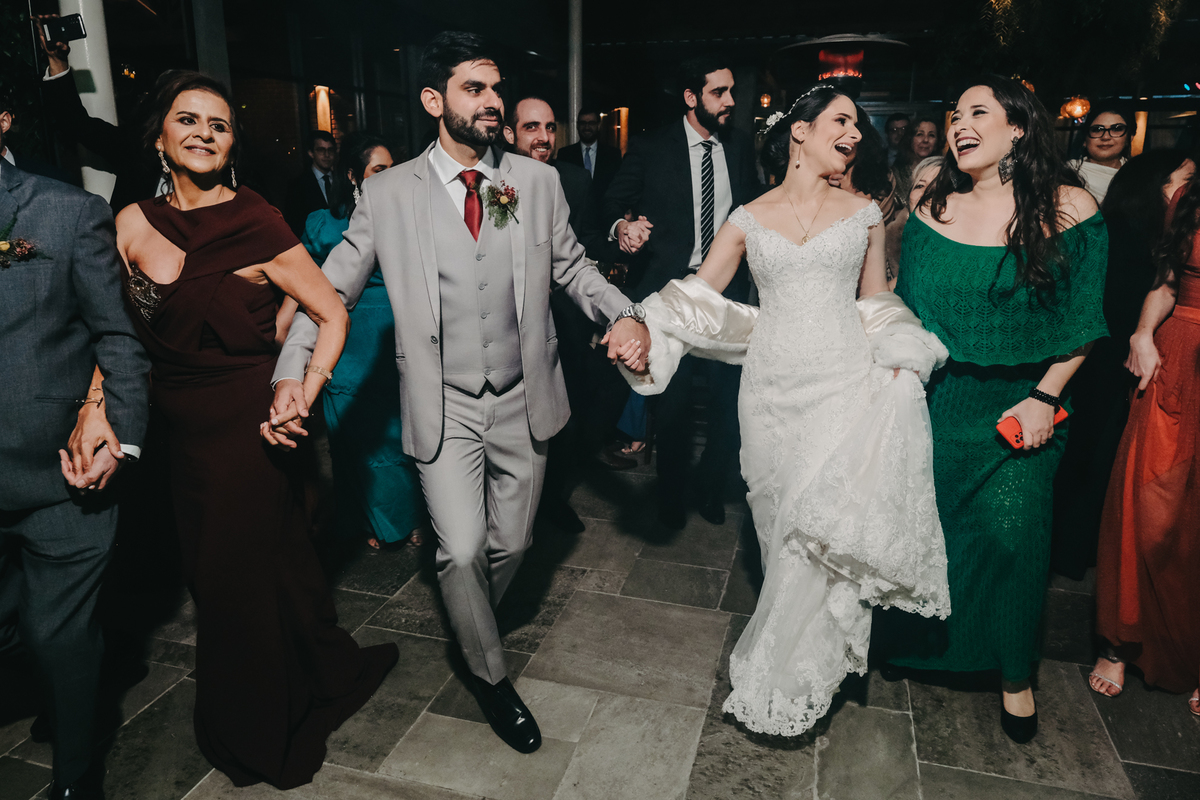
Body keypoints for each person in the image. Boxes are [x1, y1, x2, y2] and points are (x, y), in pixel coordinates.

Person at [267, 32, 649, 755]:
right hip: (442, 405)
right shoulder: (387, 194)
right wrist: (291, 371)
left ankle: (471, 625)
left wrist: (625, 314)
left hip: (525, 397)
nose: (493, 102)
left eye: (497, 88)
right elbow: (329, 293)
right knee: (462, 549)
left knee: (515, 542)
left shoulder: (533, 184)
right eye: (475, 89)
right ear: (433, 100)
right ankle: (489, 673)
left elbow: (573, 269)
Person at [614, 83, 951, 737]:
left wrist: (903, 352)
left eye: (857, 126)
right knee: (778, 524)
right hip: (770, 390)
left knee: (822, 523)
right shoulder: (747, 216)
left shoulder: (864, 214)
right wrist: (643, 328)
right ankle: (797, 650)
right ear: (800, 130)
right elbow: (699, 296)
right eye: (841, 121)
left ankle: (803, 670)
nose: (854, 134)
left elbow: (876, 302)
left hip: (843, 382)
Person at [97, 70, 397, 789]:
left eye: (219, 124)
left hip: (248, 428)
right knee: (267, 566)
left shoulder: (258, 220)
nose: (203, 132)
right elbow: (115, 332)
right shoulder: (131, 221)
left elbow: (331, 312)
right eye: (188, 119)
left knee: (229, 582)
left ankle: (252, 730)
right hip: (173, 433)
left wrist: (303, 392)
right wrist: (95, 404)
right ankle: (321, 663)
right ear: (161, 136)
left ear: (232, 144)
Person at [884, 76, 1108, 744]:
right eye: (954, 114)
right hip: (936, 399)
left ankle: (1015, 676)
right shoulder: (931, 200)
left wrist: (1045, 396)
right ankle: (917, 648)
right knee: (929, 532)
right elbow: (905, 300)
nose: (959, 123)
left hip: (1021, 406)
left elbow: (1084, 321)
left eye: (977, 112)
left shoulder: (1069, 206)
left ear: (1018, 128)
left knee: (1013, 538)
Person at [0, 159, 150, 800]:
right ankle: (70, 687)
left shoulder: (67, 211)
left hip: (60, 469)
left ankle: (76, 773)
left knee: (57, 633)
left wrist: (119, 431)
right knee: (22, 631)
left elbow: (118, 338)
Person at [601, 54, 761, 528]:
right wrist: (622, 227)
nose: (730, 101)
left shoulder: (739, 146)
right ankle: (670, 497)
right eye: (719, 92)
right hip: (670, 295)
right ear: (691, 97)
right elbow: (609, 205)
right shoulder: (651, 148)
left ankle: (709, 487)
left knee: (729, 404)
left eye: (732, 91)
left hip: (727, 296)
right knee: (671, 407)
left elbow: (753, 209)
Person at [1052, 152, 1195, 580]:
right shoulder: (1119, 235)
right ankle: (1075, 550)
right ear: (1154, 187)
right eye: (1183, 180)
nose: (1188, 190)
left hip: (1118, 360)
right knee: (1094, 452)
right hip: (1104, 360)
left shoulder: (1156, 234)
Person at [1090, 170, 1200, 717]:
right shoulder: (1187, 197)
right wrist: (1142, 333)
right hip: (1178, 355)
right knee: (1146, 501)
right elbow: (1168, 280)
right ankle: (1121, 640)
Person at [293, 132, 427, 551]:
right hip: (345, 340)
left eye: (392, 171)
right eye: (378, 171)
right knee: (354, 436)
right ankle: (367, 519)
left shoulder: (408, 219)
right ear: (353, 176)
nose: (389, 179)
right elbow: (303, 282)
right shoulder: (323, 223)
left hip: (395, 333)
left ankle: (408, 517)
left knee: (398, 431)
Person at [35, 13, 164, 209]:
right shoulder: (138, 151)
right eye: (186, 119)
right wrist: (57, 60)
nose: (201, 133)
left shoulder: (214, 178)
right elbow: (77, 123)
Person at [884, 155, 943, 288]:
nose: (927, 192)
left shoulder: (966, 245)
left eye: (937, 186)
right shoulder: (888, 240)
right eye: (920, 185)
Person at [1068, 105, 1132, 205]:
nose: (1105, 137)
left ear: (1129, 138)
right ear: (1085, 140)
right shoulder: (1068, 172)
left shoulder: (1137, 175)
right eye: (1097, 130)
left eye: (1116, 129)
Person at [558, 107, 623, 199]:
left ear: (598, 125)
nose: (587, 127)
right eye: (583, 123)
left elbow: (618, 188)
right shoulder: (565, 154)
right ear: (577, 126)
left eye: (591, 123)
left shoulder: (613, 155)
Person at [284, 130, 337, 236]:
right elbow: (294, 222)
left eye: (330, 150)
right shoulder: (298, 186)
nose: (327, 155)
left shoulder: (342, 180)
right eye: (321, 150)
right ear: (311, 153)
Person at [893, 116, 945, 186]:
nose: (925, 140)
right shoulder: (896, 174)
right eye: (920, 134)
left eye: (931, 135)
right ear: (910, 139)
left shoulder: (944, 173)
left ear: (937, 141)